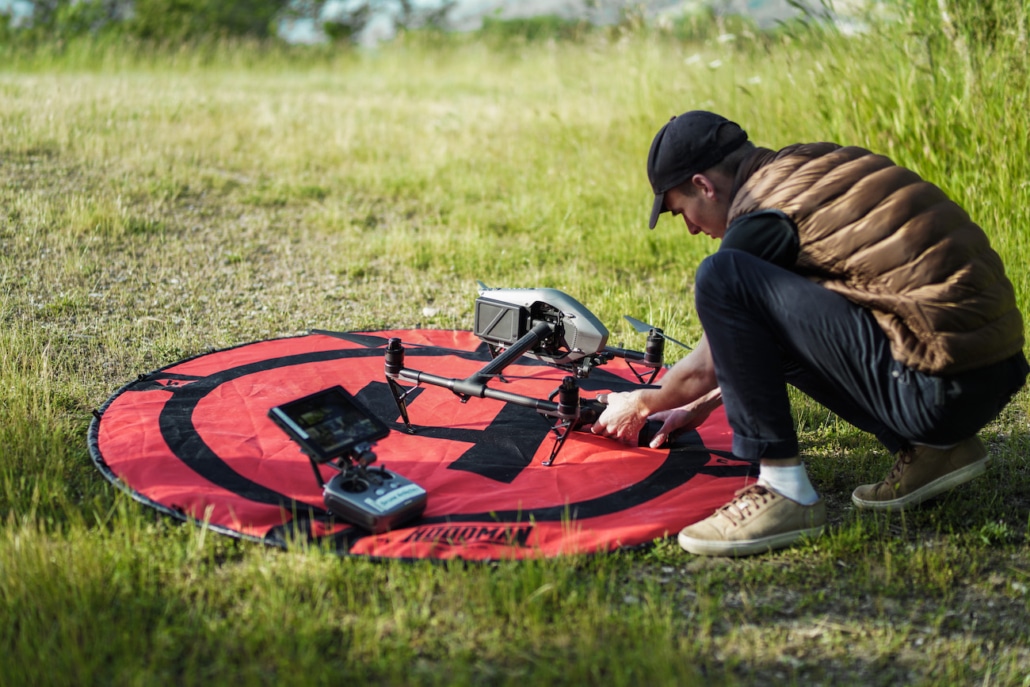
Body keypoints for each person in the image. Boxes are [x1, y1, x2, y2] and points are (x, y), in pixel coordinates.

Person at [591, 110, 1028, 557]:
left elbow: (706, 362)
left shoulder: (761, 213)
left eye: (680, 210)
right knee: (757, 297)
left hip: (935, 388)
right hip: (994, 369)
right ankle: (939, 450)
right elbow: (774, 329)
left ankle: (784, 492)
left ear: (704, 185)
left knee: (723, 276)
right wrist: (695, 406)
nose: (689, 227)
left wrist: (643, 400)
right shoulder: (810, 167)